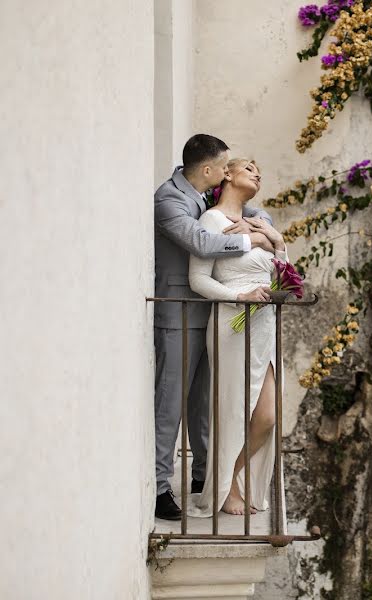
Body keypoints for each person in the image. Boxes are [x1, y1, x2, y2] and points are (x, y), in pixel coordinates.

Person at [154, 135, 275, 521]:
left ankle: (209, 478)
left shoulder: (208, 199)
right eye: (226, 167)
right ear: (209, 171)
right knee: (170, 403)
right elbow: (202, 243)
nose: (229, 172)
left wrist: (265, 228)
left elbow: (245, 212)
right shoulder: (169, 200)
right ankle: (159, 488)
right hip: (181, 313)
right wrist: (254, 237)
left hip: (220, 318)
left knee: (206, 407)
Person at [188, 158, 285, 516]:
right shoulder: (210, 221)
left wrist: (271, 236)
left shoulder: (259, 221)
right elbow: (198, 280)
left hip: (264, 324)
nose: (258, 172)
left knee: (267, 415)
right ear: (226, 174)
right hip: (232, 320)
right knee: (233, 410)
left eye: (261, 170)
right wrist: (239, 297)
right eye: (249, 167)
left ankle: (231, 478)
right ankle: (225, 490)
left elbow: (283, 272)